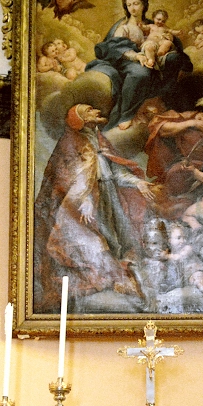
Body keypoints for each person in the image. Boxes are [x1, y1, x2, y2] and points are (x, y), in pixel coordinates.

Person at [33, 103, 156, 313]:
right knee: (96, 241)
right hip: (82, 203)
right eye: (90, 110)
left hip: (108, 195)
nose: (96, 112)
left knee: (118, 240)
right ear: (79, 119)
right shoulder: (70, 143)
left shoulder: (99, 141)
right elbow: (67, 179)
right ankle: (116, 281)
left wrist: (137, 182)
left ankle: (123, 282)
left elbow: (114, 171)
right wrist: (85, 199)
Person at [85, 0, 192, 131]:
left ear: (144, 5)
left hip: (152, 57)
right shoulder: (123, 26)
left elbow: (169, 38)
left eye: (136, 4)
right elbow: (114, 47)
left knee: (174, 59)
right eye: (129, 5)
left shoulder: (151, 25)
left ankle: (162, 100)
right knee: (140, 73)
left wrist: (168, 41)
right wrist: (137, 57)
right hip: (126, 60)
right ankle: (125, 115)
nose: (133, 8)